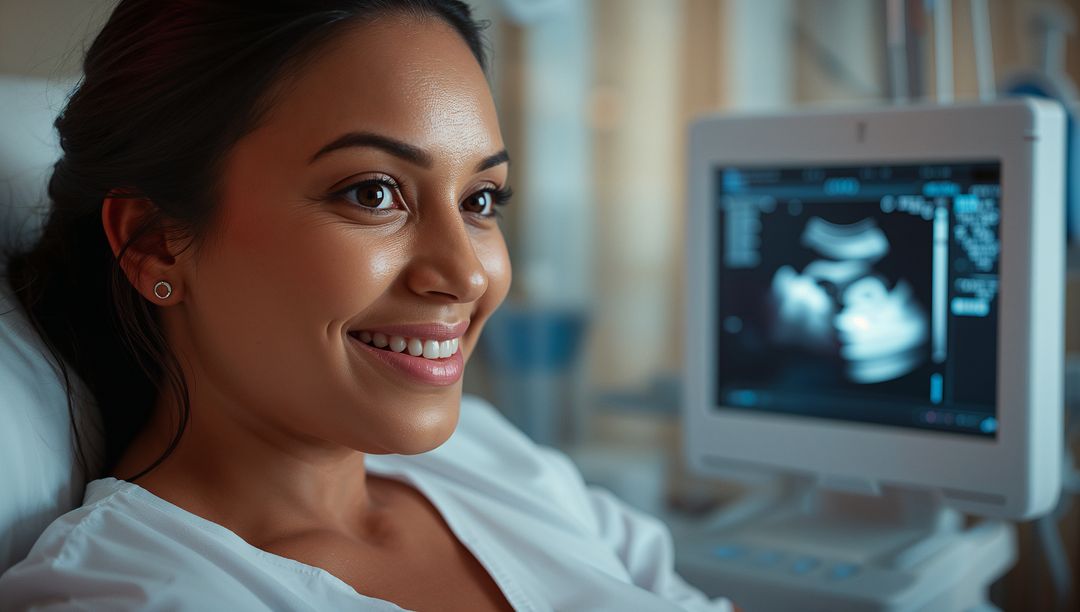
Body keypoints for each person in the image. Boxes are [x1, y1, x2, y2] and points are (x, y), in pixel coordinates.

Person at [0, 1, 734, 610]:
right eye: (372, 193)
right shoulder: (133, 595)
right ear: (157, 243)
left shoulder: (489, 457)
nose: (466, 275)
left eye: (481, 200)